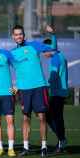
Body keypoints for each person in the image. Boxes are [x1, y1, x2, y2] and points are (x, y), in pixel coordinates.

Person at [11, 25, 54, 157]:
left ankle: (44, 146)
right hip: (24, 90)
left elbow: (51, 48)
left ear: (24, 35)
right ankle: (25, 147)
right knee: (25, 118)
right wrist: (16, 86)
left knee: (42, 117)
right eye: (16, 34)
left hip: (39, 87)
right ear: (13, 37)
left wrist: (53, 35)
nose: (18, 36)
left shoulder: (34, 45)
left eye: (20, 34)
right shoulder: (11, 53)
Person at [44, 25, 68, 153]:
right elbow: (54, 46)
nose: (43, 53)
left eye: (44, 51)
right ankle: (61, 141)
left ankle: (61, 140)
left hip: (57, 93)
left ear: (49, 49)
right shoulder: (60, 55)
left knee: (51, 117)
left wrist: (43, 85)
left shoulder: (54, 59)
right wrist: (53, 35)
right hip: (60, 92)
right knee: (56, 118)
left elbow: (53, 77)